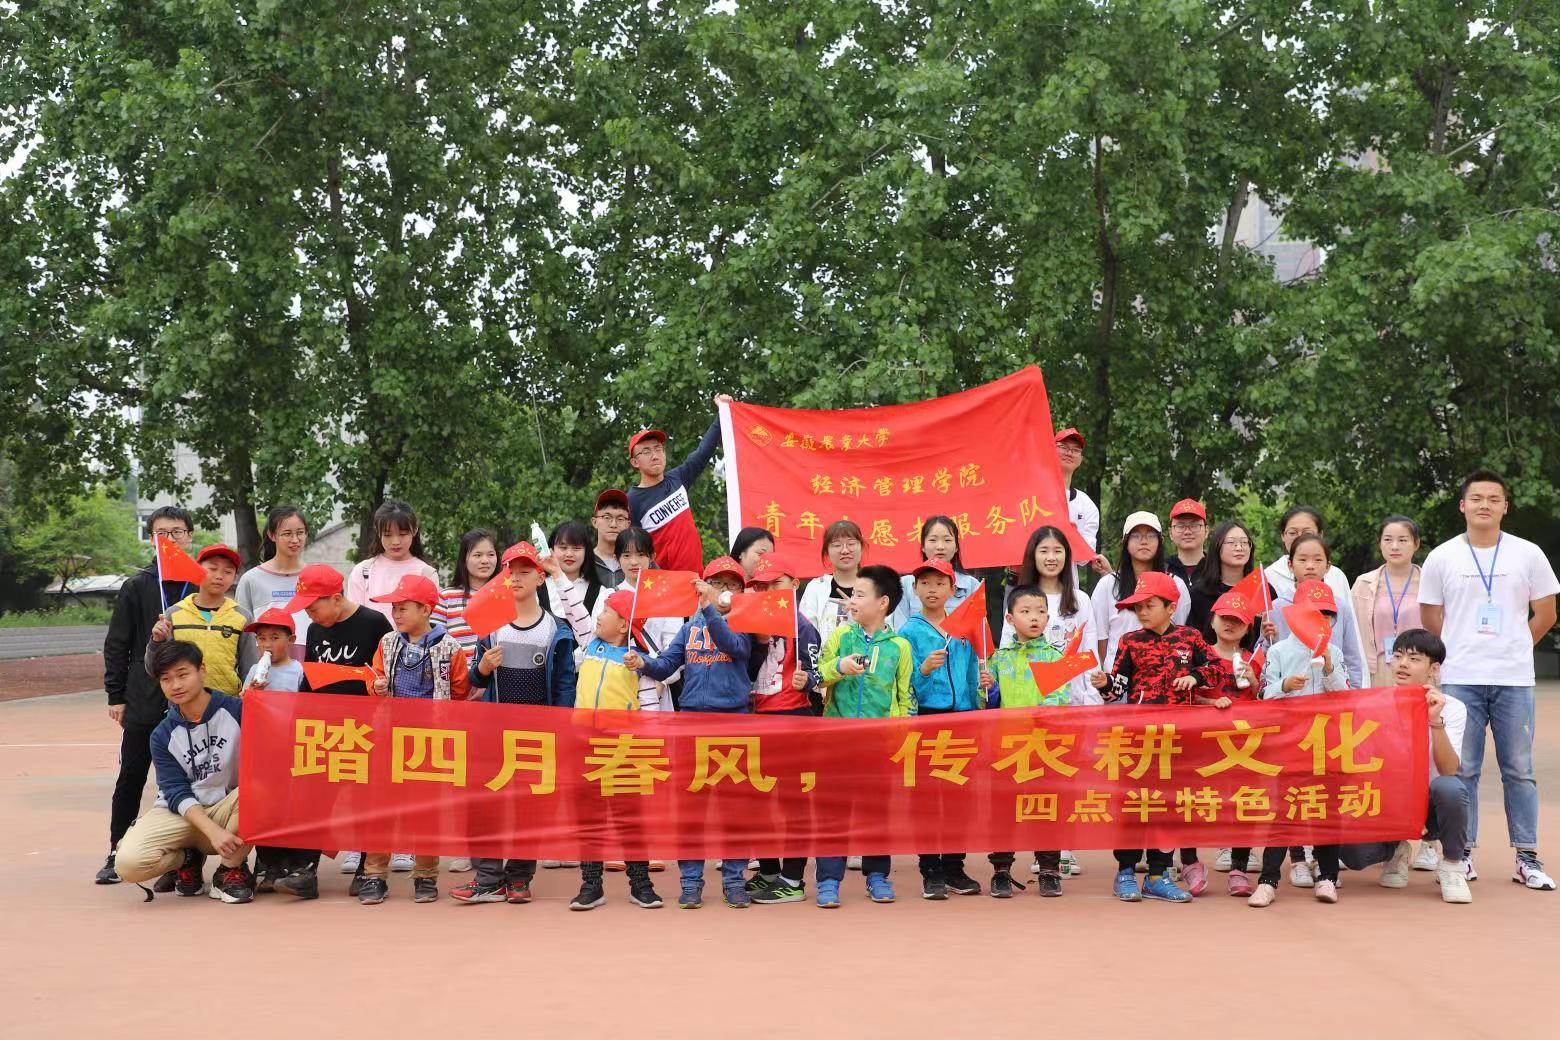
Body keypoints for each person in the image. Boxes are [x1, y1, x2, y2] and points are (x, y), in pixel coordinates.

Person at [1419, 468, 1559, 890]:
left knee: (1519, 769)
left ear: (1505, 507)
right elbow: (1431, 618)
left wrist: (1514, 646)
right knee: (1463, 770)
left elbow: (1546, 613)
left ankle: (1527, 857)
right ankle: (1461, 854)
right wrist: (1459, 650)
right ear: (1463, 505)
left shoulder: (1528, 554)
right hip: (1461, 678)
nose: (1485, 505)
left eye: (1493, 499)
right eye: (1476, 498)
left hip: (1514, 678)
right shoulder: (1442, 556)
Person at [626, 556, 754, 909]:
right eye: (717, 583)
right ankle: (691, 882)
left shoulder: (744, 622)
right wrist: (643, 663)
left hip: (733, 725)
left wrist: (711, 609)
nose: (724, 590)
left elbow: (734, 647)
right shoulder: (690, 627)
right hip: (693, 723)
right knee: (691, 809)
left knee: (734, 810)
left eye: (732, 585)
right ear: (702, 587)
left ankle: (734, 880)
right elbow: (668, 664)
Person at [455, 543, 577, 904]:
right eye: (512, 573)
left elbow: (565, 685)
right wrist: (483, 668)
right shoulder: (492, 627)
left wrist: (561, 728)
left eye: (526, 572)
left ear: (540, 577)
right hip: (494, 733)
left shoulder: (556, 630)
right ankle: (487, 878)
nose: (518, 578)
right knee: (485, 805)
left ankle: (520, 877)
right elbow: (474, 679)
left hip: (537, 735)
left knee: (530, 808)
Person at [275, 562, 392, 896]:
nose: (309, 615)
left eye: (313, 607)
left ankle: (368, 870)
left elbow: (389, 671)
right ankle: (305, 870)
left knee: (366, 801)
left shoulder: (374, 623)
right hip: (325, 729)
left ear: (336, 598)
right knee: (314, 798)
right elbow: (311, 678)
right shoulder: (315, 630)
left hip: (366, 730)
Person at [1088, 571, 1206, 903]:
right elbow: (1118, 689)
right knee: (1133, 803)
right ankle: (1125, 872)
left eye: (1148, 605)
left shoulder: (1191, 638)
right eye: (1137, 607)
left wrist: (1195, 677)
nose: (1141, 612)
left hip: (1178, 739)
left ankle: (1158, 874)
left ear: (1171, 607)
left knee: (1167, 806)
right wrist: (1105, 685)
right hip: (1139, 737)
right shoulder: (1130, 641)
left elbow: (1214, 668)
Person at [99, 505, 199, 886]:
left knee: (189, 779)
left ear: (189, 536)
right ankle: (116, 849)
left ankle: (183, 860)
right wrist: (116, 695)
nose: (169, 540)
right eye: (161, 533)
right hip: (144, 698)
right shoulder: (137, 586)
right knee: (132, 775)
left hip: (191, 701)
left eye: (177, 532)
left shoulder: (201, 583)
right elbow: (117, 644)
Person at [359, 574, 472, 905]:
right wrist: (376, 686)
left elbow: (460, 689)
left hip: (428, 740)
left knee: (425, 810)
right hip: (389, 736)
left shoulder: (449, 647)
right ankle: (374, 875)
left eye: (403, 608)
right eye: (394, 608)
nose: (396, 614)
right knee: (381, 806)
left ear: (426, 609)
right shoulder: (387, 642)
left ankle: (425, 875)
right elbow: (374, 676)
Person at [1338, 629, 1473, 904]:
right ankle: (1396, 848)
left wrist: (1435, 721)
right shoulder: (1373, 705)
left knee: (1451, 788)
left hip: (1430, 804)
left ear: (1434, 668)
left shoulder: (1452, 707)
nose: (1402, 664)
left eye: (1414, 659)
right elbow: (1361, 767)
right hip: (1388, 802)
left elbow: (1448, 770)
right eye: (1398, 656)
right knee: (1353, 853)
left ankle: (1451, 866)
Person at [113, 640, 253, 904]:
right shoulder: (162, 735)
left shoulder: (238, 711)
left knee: (261, 791)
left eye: (182, 674)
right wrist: (211, 831)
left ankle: (229, 869)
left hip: (226, 808)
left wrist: (264, 698)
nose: (175, 685)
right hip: (180, 812)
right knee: (128, 865)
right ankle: (187, 858)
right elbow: (175, 791)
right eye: (166, 679)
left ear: (202, 671)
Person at [814, 565, 914, 908]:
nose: (852, 601)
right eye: (852, 594)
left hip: (879, 744)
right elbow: (817, 677)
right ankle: (828, 880)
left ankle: (878, 876)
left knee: (876, 812)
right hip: (836, 740)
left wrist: (899, 739)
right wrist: (839, 668)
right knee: (833, 812)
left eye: (859, 594)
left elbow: (905, 698)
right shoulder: (841, 636)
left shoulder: (900, 647)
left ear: (882, 602)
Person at [561, 589, 664, 911]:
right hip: (585, 745)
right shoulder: (588, 645)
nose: (598, 616)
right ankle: (591, 885)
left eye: (606, 611)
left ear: (623, 625)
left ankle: (641, 884)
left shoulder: (638, 663)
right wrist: (558, 576)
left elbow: (651, 708)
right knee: (588, 816)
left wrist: (648, 750)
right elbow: (574, 610)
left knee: (630, 817)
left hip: (623, 749)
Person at [1250, 578, 1350, 908]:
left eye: (1327, 616)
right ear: (1296, 616)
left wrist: (1330, 667)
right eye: (1314, 614)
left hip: (1326, 742)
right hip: (1289, 742)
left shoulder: (1334, 652)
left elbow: (1346, 696)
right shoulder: (1278, 651)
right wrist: (1285, 686)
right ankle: (1268, 880)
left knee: (1326, 809)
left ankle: (1327, 876)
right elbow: (1263, 694)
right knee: (1285, 810)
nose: (1322, 621)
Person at [899, 558, 986, 899]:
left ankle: (954, 866)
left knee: (957, 797)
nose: (932, 589)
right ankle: (930, 868)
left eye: (939, 583)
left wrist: (981, 693)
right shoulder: (908, 632)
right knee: (927, 797)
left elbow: (971, 675)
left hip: (961, 720)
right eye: (925, 583)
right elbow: (903, 682)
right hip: (926, 720)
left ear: (953, 589)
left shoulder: (963, 628)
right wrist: (923, 670)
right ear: (915, 589)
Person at [742, 554, 822, 905]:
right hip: (759, 717)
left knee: (792, 802)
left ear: (794, 584)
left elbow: (818, 673)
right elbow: (746, 670)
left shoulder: (802, 626)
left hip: (792, 718)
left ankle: (792, 879)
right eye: (761, 586)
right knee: (758, 800)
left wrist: (808, 681)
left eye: (776, 583)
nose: (768, 591)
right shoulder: (752, 622)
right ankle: (769, 870)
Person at [985, 586, 1070, 898]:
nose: (1034, 617)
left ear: (1048, 617)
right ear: (1009, 618)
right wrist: (987, 687)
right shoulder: (998, 658)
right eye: (1025, 611)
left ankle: (1049, 868)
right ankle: (1001, 870)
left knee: (1045, 806)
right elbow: (987, 703)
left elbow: (1059, 699)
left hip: (1043, 748)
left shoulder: (1055, 657)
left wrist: (1038, 721)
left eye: (1040, 612)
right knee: (1003, 809)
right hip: (1005, 748)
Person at [1197, 591, 1261, 896]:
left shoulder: (1255, 659)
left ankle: (1239, 868)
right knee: (1194, 801)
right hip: (1204, 742)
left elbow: (1269, 700)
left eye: (1238, 621)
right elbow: (1187, 695)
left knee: (1243, 802)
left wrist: (1255, 680)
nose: (1230, 625)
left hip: (1244, 745)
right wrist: (1211, 702)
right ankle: (1190, 862)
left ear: (1248, 628)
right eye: (1225, 618)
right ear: (1212, 620)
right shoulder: (1200, 655)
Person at [626, 394, 732, 573]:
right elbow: (632, 549)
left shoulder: (678, 478)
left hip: (696, 578)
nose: (655, 456)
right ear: (635, 462)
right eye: (646, 452)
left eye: (658, 449)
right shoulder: (632, 500)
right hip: (664, 582)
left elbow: (703, 452)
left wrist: (722, 411)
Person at [239, 607, 306, 892]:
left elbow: (306, 709)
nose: (267, 645)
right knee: (263, 804)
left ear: (291, 640)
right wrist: (252, 694)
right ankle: (266, 862)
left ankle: (289, 863)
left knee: (288, 806)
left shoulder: (299, 671)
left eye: (274, 638)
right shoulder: (254, 670)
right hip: (262, 749)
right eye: (261, 638)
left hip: (288, 749)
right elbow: (243, 704)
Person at [144, 543, 255, 697]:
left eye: (228, 572)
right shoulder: (174, 614)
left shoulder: (242, 616)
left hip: (228, 702)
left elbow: (250, 668)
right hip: (183, 704)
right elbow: (153, 669)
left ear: (235, 577)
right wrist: (156, 642)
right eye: (212, 569)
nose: (219, 576)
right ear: (197, 569)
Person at [1089, 512, 1192, 670]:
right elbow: (1100, 638)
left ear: (1160, 541)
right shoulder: (1107, 585)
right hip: (1117, 677)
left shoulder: (1176, 585)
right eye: (1136, 536)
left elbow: (1178, 634)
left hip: (1161, 676)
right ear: (1125, 542)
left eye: (1151, 536)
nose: (1144, 541)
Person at [1270, 534, 1368, 687]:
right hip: (1292, 693)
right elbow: (1267, 657)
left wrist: (1353, 692)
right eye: (1302, 560)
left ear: (1328, 566)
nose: (1310, 566)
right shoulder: (1277, 607)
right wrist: (1267, 638)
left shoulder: (1340, 607)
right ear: (1290, 565)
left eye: (1318, 560)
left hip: (1333, 692)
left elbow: (1351, 656)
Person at [1264, 505, 1361, 651]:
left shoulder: (1337, 577)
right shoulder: (1269, 577)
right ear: (1283, 535)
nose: (1300, 537)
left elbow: (1350, 644)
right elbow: (1267, 647)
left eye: (1307, 532)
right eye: (1293, 532)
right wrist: (1269, 639)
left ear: (1320, 534)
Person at [1352, 516, 1424, 687]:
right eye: (1388, 540)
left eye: (1403, 540)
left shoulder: (1430, 583)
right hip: (1376, 670)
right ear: (1379, 544)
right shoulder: (1364, 584)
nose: (1395, 546)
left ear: (1416, 544)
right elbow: (1353, 631)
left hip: (1419, 671)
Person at [235, 505, 310, 660]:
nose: (295, 540)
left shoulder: (315, 576)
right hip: (263, 666)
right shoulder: (251, 579)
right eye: (287, 534)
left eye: (300, 533)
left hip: (310, 664)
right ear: (272, 535)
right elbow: (240, 630)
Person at [348, 500, 440, 622]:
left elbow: (432, 622)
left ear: (414, 530)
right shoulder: (363, 571)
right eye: (387, 535)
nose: (395, 542)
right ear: (378, 532)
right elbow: (354, 619)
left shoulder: (427, 574)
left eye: (402, 534)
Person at [892, 514, 982, 629]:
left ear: (956, 547)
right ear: (923, 546)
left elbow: (977, 630)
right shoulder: (905, 585)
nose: (940, 546)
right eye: (933, 540)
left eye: (947, 540)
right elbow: (900, 630)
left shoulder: (971, 585)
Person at [1187, 520, 1269, 641]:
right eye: (1231, 542)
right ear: (1217, 547)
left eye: (1244, 542)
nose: (1239, 548)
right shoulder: (1199, 593)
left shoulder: (1262, 590)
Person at [434, 528, 500, 663]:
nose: (485, 560)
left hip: (498, 674)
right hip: (457, 674)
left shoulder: (505, 596)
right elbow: (435, 643)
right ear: (464, 560)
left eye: (491, 555)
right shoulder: (446, 598)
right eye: (477, 555)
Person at [799, 519, 864, 643]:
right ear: (827, 551)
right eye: (837, 545)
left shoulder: (875, 588)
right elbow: (806, 633)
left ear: (861, 547)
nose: (845, 550)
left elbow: (886, 631)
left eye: (851, 543)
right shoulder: (816, 588)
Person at [1055, 427, 1108, 574]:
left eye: (1075, 450)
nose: (1069, 453)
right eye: (1063, 447)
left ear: (1081, 459)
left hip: (1068, 582)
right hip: (1031, 582)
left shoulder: (1086, 505)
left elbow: (1084, 557)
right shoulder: (1035, 495)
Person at [542, 520, 607, 634]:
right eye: (563, 547)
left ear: (587, 552)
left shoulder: (600, 593)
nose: (569, 554)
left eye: (576, 548)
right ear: (551, 550)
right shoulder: (537, 587)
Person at [590, 489, 631, 588]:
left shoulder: (640, 561)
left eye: (620, 519)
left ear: (628, 524)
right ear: (594, 522)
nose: (613, 524)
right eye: (607, 517)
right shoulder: (583, 561)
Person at [1165, 499, 1208, 585]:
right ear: (1170, 533)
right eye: (1180, 526)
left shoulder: (1218, 569)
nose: (1187, 532)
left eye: (1194, 525)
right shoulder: (1162, 570)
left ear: (1206, 531)